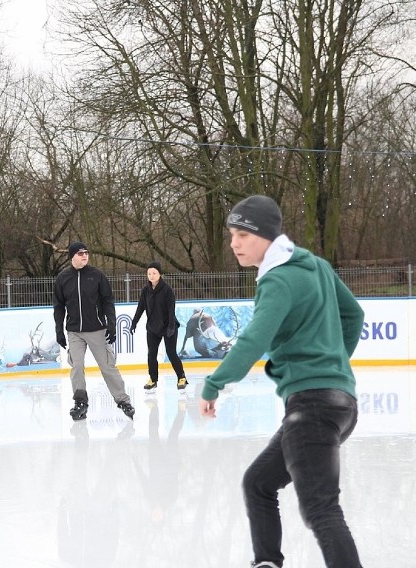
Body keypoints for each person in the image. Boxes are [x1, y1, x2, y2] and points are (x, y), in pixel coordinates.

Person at [199, 195, 364, 568]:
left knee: (321, 509)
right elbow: (353, 315)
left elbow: (254, 339)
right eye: (230, 235)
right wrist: (333, 365)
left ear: (266, 235)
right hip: (339, 402)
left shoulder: (277, 279)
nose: (234, 243)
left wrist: (213, 384)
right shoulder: (315, 266)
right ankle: (267, 562)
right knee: (258, 483)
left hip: (311, 408)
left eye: (242, 234)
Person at [53, 241, 135, 421]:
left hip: (97, 329)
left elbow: (107, 301)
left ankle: (123, 400)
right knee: (77, 366)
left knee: (107, 366)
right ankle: (80, 402)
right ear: (72, 256)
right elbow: (59, 306)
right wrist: (59, 330)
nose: (85, 256)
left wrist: (111, 324)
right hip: (74, 331)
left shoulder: (96, 275)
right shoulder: (63, 278)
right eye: (80, 253)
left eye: (86, 253)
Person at [131, 261, 187, 392]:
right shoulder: (145, 291)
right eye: (149, 273)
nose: (151, 275)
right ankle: (153, 379)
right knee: (151, 354)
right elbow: (141, 308)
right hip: (152, 328)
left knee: (171, 353)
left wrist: (171, 327)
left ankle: (181, 377)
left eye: (154, 273)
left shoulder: (167, 290)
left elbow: (171, 310)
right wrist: (134, 322)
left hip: (169, 326)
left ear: (159, 274)